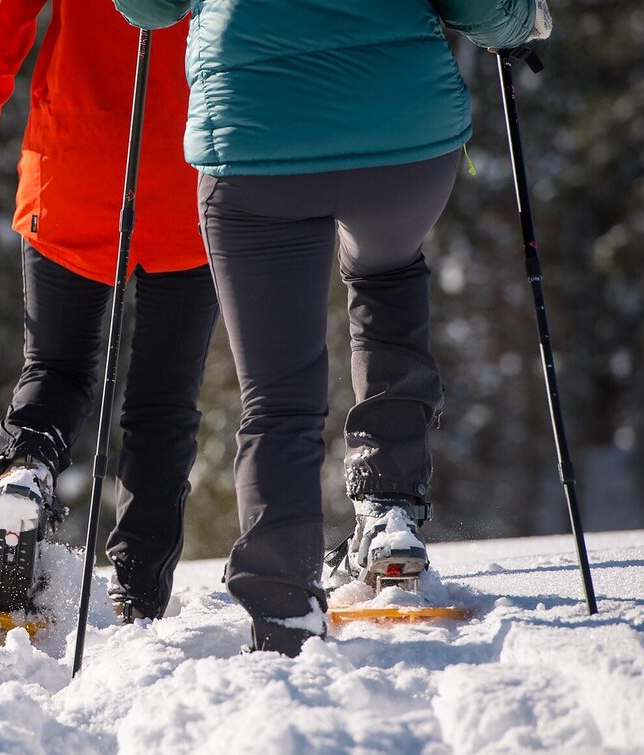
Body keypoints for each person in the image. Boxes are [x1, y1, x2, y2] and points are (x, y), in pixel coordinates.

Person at [111, 0, 551, 654]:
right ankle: (388, 512)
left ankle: (282, 599)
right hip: (401, 136)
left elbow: (148, 7)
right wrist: (527, 21)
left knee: (276, 395)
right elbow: (484, 10)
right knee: (385, 277)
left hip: (254, 141)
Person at [0, 0, 220, 623]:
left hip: (73, 161)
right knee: (164, 399)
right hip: (194, 160)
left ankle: (27, 467)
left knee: (55, 366)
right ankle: (138, 594)